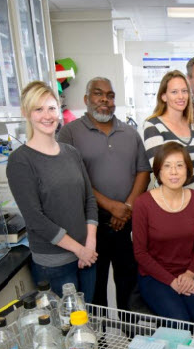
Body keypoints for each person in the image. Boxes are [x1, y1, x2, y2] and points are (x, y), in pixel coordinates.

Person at [58, 77, 150, 309]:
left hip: (127, 222)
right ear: (86, 99)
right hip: (90, 225)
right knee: (94, 289)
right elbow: (75, 179)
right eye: (98, 94)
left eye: (110, 95)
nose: (105, 100)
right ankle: (98, 343)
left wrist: (126, 208)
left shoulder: (130, 132)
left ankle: (131, 339)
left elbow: (143, 171)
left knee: (129, 284)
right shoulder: (70, 134)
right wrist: (111, 206)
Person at [7, 81, 98, 300]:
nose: (47, 116)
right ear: (26, 113)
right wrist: (79, 249)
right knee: (66, 328)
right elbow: (36, 219)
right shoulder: (21, 161)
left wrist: (90, 244)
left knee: (93, 320)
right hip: (55, 264)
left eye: (51, 108)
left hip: (88, 256)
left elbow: (89, 200)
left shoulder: (71, 153)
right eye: (38, 109)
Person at [132, 142, 194, 325]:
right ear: (158, 171)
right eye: (167, 166)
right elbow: (140, 253)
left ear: (188, 170)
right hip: (154, 276)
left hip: (188, 271)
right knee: (180, 320)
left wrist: (189, 274)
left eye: (179, 165)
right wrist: (171, 281)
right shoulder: (143, 204)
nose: (174, 172)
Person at [143, 70, 194, 189]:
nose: (181, 96)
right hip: (168, 202)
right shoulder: (153, 126)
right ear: (163, 96)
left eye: (184, 91)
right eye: (174, 92)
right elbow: (160, 171)